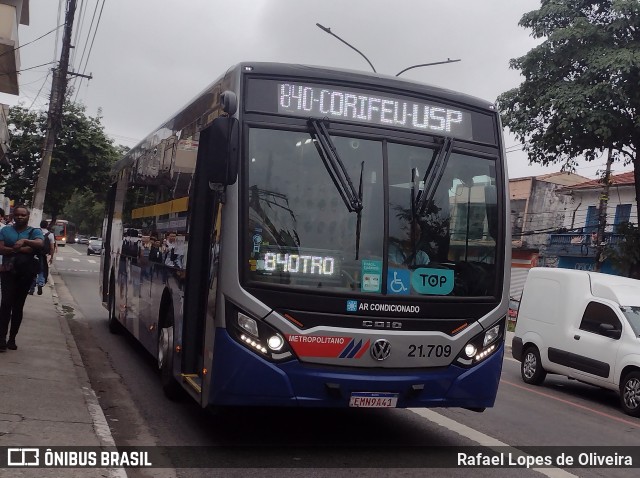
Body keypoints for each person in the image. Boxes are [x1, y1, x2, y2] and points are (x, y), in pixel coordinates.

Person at [0, 205, 44, 351]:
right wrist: (18, 249)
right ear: (13, 216)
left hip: (25, 274)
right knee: (5, 304)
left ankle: (12, 339)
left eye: (23, 215)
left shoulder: (34, 231)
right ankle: (1, 339)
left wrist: (25, 241)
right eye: (17, 215)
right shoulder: (5, 230)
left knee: (18, 307)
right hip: (7, 271)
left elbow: (39, 244)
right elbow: (0, 248)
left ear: (28, 217)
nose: (20, 217)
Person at [29, 220, 55, 295]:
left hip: (34, 254)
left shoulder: (36, 231)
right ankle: (40, 283)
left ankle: (31, 288)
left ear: (40, 225)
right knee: (42, 270)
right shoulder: (50, 234)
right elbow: (52, 247)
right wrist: (51, 257)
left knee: (33, 271)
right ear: (47, 226)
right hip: (43, 255)